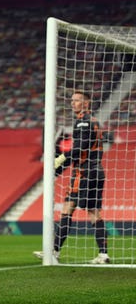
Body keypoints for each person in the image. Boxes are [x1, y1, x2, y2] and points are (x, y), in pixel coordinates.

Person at [34, 90, 109, 264]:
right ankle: (103, 254)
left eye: (77, 100)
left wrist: (61, 159)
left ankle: (54, 252)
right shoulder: (94, 121)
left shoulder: (83, 122)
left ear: (86, 103)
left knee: (67, 209)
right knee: (94, 213)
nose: (72, 103)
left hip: (84, 172)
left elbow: (80, 148)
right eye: (72, 100)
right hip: (96, 172)